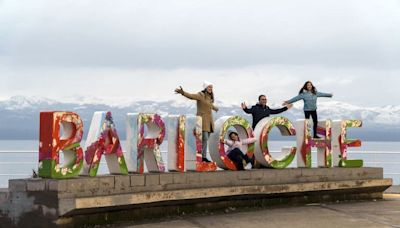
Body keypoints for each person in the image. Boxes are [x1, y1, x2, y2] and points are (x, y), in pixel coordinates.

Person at [175, 81, 218, 162]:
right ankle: (203, 157)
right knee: (204, 139)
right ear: (205, 88)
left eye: (211, 87)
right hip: (202, 120)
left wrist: (215, 108)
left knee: (206, 139)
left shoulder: (210, 97)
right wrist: (183, 92)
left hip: (209, 121)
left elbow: (209, 105)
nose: (211, 89)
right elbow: (191, 96)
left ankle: (202, 156)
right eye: (209, 87)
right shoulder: (200, 95)